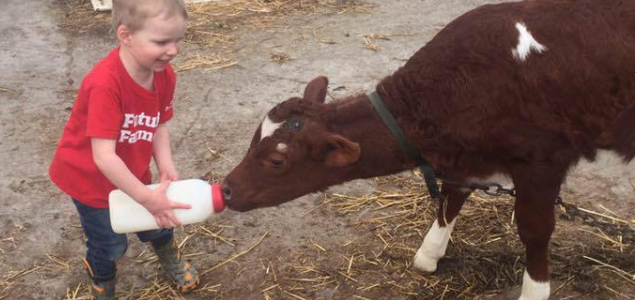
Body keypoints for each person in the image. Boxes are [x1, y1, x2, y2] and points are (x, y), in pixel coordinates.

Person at [49, 0, 198, 298]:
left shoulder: (164, 75)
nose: (174, 50)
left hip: (131, 171)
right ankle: (102, 276)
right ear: (125, 35)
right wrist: (146, 197)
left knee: (156, 222)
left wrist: (165, 164)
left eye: (178, 39)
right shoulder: (105, 84)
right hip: (91, 182)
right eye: (161, 41)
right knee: (110, 243)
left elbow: (157, 124)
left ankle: (168, 253)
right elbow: (103, 157)